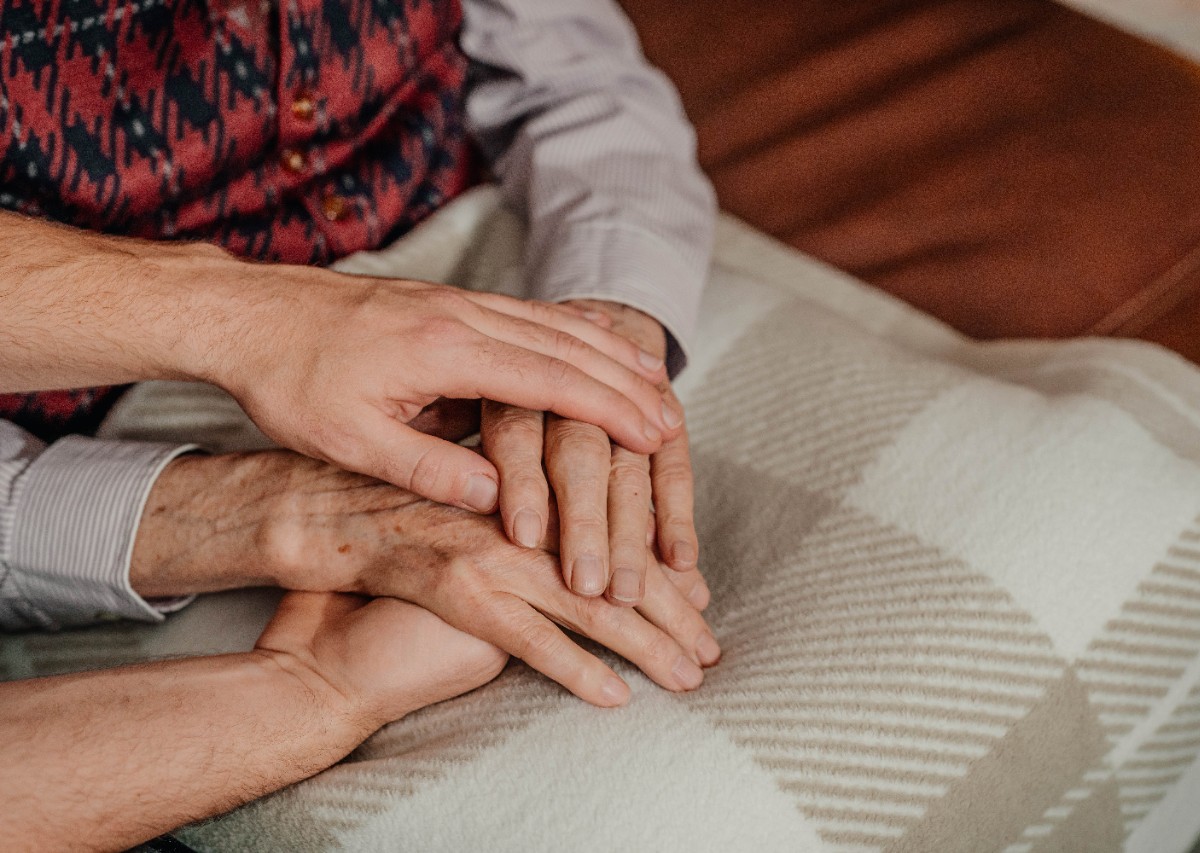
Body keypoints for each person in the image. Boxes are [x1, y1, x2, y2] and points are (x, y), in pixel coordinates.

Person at [0, 0, 720, 845]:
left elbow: (580, 79)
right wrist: (262, 509)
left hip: (514, 262)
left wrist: (607, 342)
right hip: (99, 464)